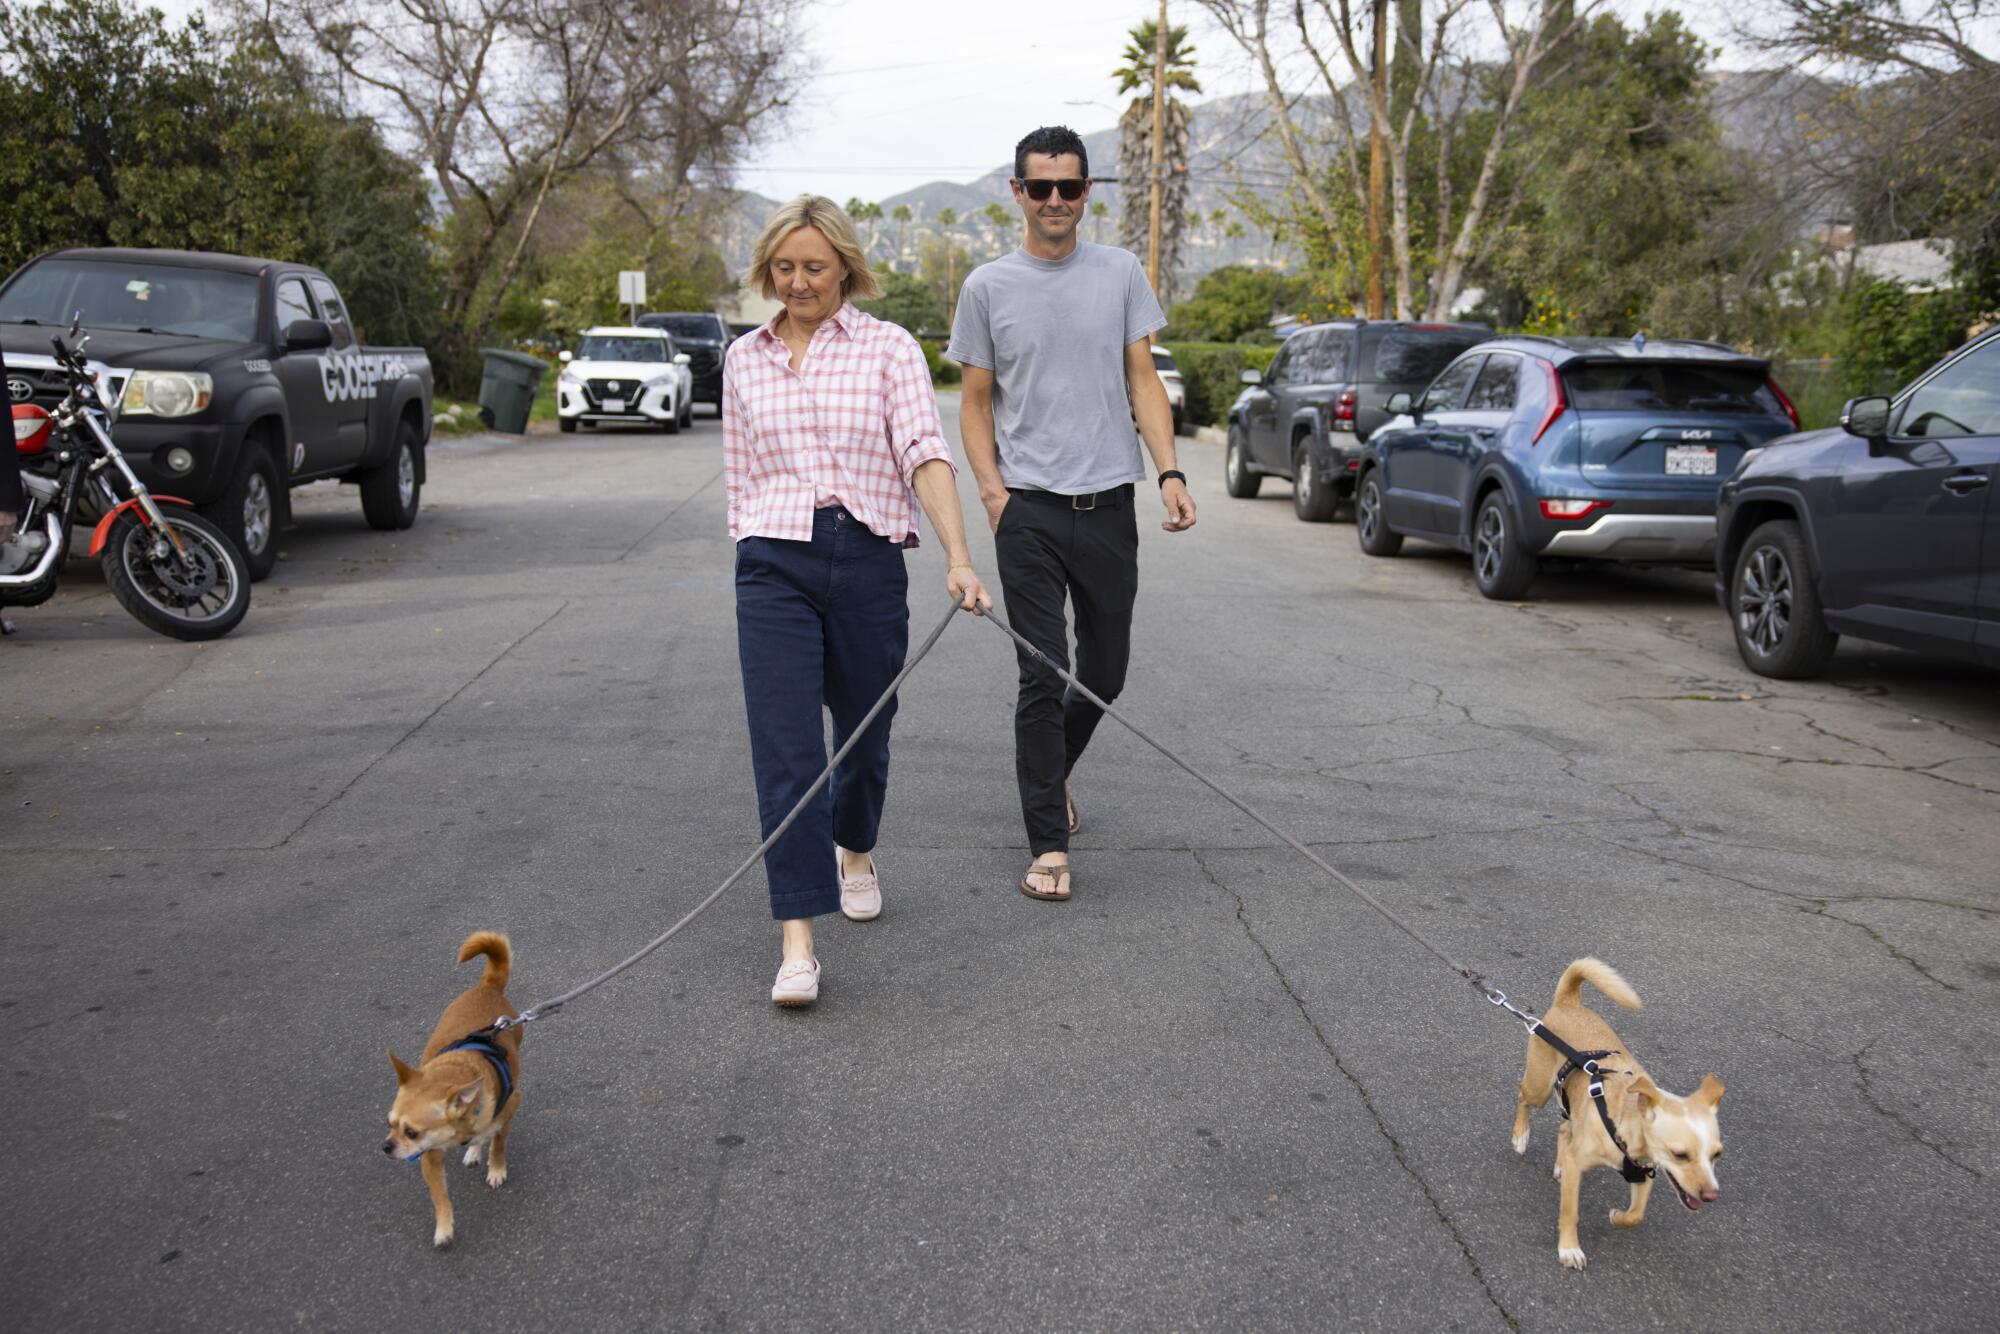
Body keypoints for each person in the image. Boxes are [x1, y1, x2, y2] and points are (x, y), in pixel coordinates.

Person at [723, 195, 991, 1008]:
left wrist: (958, 556)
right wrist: (751, 549)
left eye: (813, 266)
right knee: (786, 751)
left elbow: (923, 449)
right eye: (784, 268)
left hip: (868, 555)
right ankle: (797, 939)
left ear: (845, 266)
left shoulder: (888, 348)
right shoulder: (745, 358)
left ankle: (856, 847)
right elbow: (741, 471)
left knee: (865, 735)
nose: (798, 282)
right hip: (774, 560)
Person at [948, 125, 1196, 904]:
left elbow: (1144, 379)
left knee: (1106, 674)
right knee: (1040, 671)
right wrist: (992, 492)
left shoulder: (1121, 272)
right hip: (1028, 510)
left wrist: (1171, 471)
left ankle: (1051, 777)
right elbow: (976, 402)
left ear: (1087, 192)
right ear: (1017, 193)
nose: (1056, 200)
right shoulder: (988, 285)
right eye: (1040, 187)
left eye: (1070, 186)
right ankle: (1047, 842)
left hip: (1109, 504)